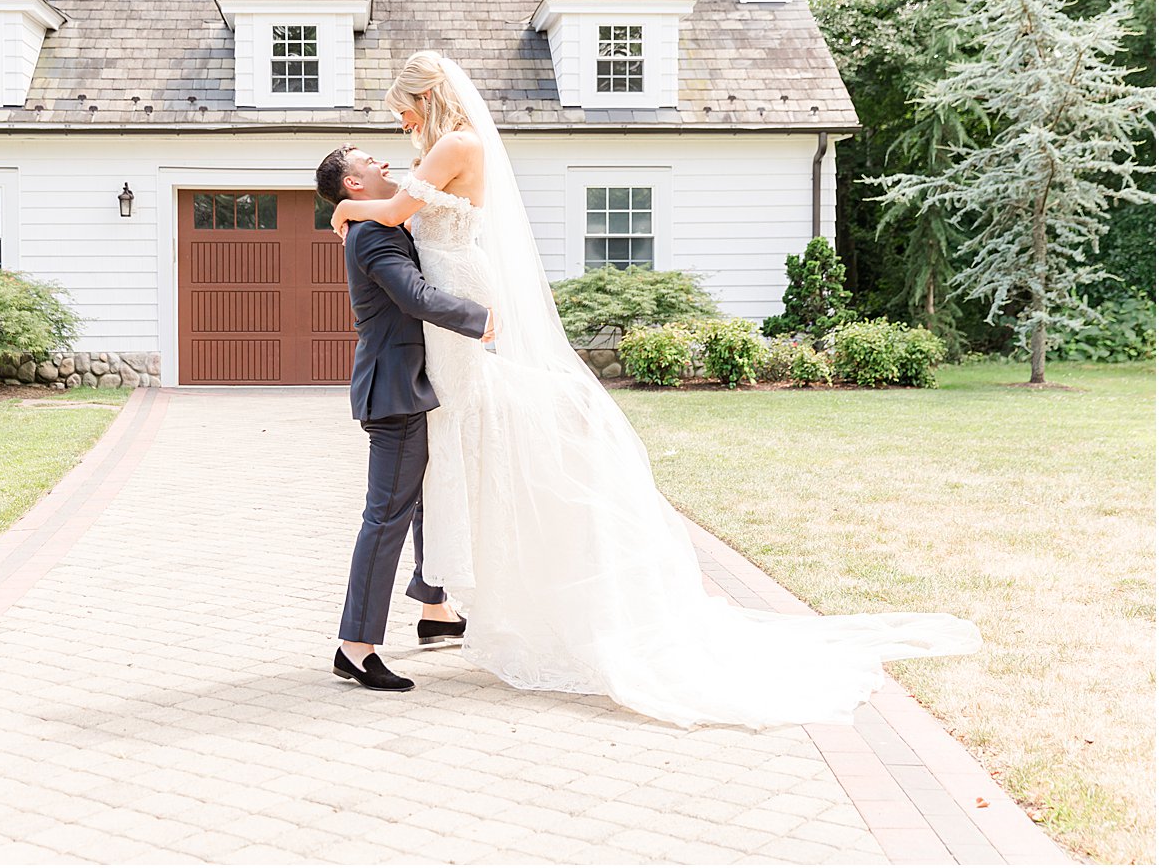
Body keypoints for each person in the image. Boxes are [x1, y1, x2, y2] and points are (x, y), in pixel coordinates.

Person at [323, 51, 980, 728]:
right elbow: (402, 231)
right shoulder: (423, 173)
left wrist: (347, 205)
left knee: (465, 441)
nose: (397, 133)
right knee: (457, 446)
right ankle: (432, 604)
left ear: (427, 94)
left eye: (400, 113)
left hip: (458, 313)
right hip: (446, 328)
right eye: (376, 146)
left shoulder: (450, 149)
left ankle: (425, 606)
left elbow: (400, 210)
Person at [314, 142, 495, 692]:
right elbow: (414, 296)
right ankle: (356, 646)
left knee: (430, 494)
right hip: (395, 392)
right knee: (385, 517)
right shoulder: (371, 235)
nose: (383, 163)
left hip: (419, 384)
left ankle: (434, 610)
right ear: (354, 184)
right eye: (369, 162)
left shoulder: (379, 222)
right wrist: (482, 318)